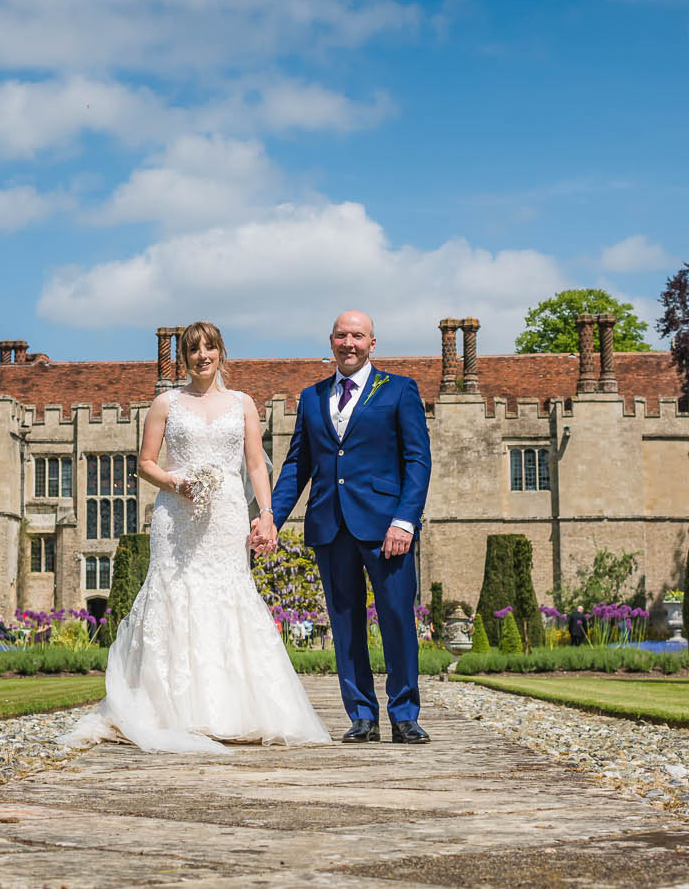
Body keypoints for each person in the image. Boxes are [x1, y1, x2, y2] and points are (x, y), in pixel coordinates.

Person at [62, 321, 330, 752]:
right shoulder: (166, 403)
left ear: (221, 352)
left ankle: (234, 710)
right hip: (176, 518)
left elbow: (257, 465)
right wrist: (174, 483)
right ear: (184, 358)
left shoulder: (243, 404)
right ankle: (171, 710)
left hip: (226, 516)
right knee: (175, 595)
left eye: (209, 348)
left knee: (229, 594)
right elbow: (145, 463)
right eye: (193, 350)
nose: (202, 356)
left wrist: (266, 514)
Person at [261, 310, 432, 743]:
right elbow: (297, 464)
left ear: (372, 343)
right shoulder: (313, 396)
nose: (349, 343)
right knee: (345, 625)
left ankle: (405, 714)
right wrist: (272, 518)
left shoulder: (399, 390)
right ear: (331, 341)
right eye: (342, 335)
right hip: (330, 525)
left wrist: (404, 520)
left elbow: (417, 460)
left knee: (397, 620)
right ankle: (361, 716)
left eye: (358, 335)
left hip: (386, 528)